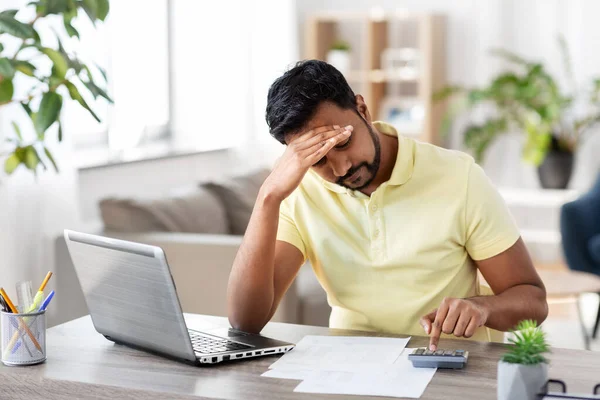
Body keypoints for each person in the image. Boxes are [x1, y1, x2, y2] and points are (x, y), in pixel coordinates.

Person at [227, 60, 548, 350]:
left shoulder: (458, 178)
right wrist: (268, 197)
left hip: (445, 365)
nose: (341, 169)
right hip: (348, 367)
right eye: (318, 159)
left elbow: (533, 301)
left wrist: (483, 308)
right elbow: (246, 322)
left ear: (362, 109)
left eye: (343, 142)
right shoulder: (300, 192)